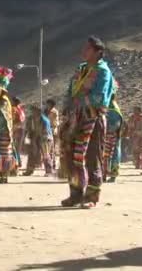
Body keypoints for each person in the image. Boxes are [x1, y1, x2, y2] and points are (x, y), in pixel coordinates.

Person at [61, 36, 113, 208]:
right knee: (72, 156)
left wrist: (80, 102)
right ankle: (75, 194)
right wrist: (68, 105)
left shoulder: (103, 71)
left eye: (88, 49)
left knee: (92, 157)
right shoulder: (81, 69)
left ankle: (91, 197)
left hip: (93, 118)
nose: (84, 51)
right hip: (75, 118)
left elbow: (99, 97)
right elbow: (71, 91)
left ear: (98, 52)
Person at [24, 105, 54, 176]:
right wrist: (32, 139)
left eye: (35, 110)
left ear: (39, 112)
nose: (33, 112)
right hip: (36, 137)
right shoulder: (31, 119)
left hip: (46, 138)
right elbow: (28, 129)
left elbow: (46, 133)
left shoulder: (44, 120)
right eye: (32, 110)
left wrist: (38, 140)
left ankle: (49, 171)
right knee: (32, 153)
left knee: (45, 154)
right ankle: (29, 170)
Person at [104, 92, 123, 183]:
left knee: (110, 154)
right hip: (110, 134)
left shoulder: (113, 108)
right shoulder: (111, 106)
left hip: (111, 134)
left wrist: (107, 129)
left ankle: (111, 175)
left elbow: (116, 124)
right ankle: (106, 174)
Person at [45, 99, 60, 169]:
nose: (47, 105)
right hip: (47, 131)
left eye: (48, 104)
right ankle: (49, 163)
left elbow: (56, 122)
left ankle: (53, 163)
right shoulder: (45, 111)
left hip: (53, 131)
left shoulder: (55, 112)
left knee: (52, 148)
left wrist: (52, 127)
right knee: (47, 148)